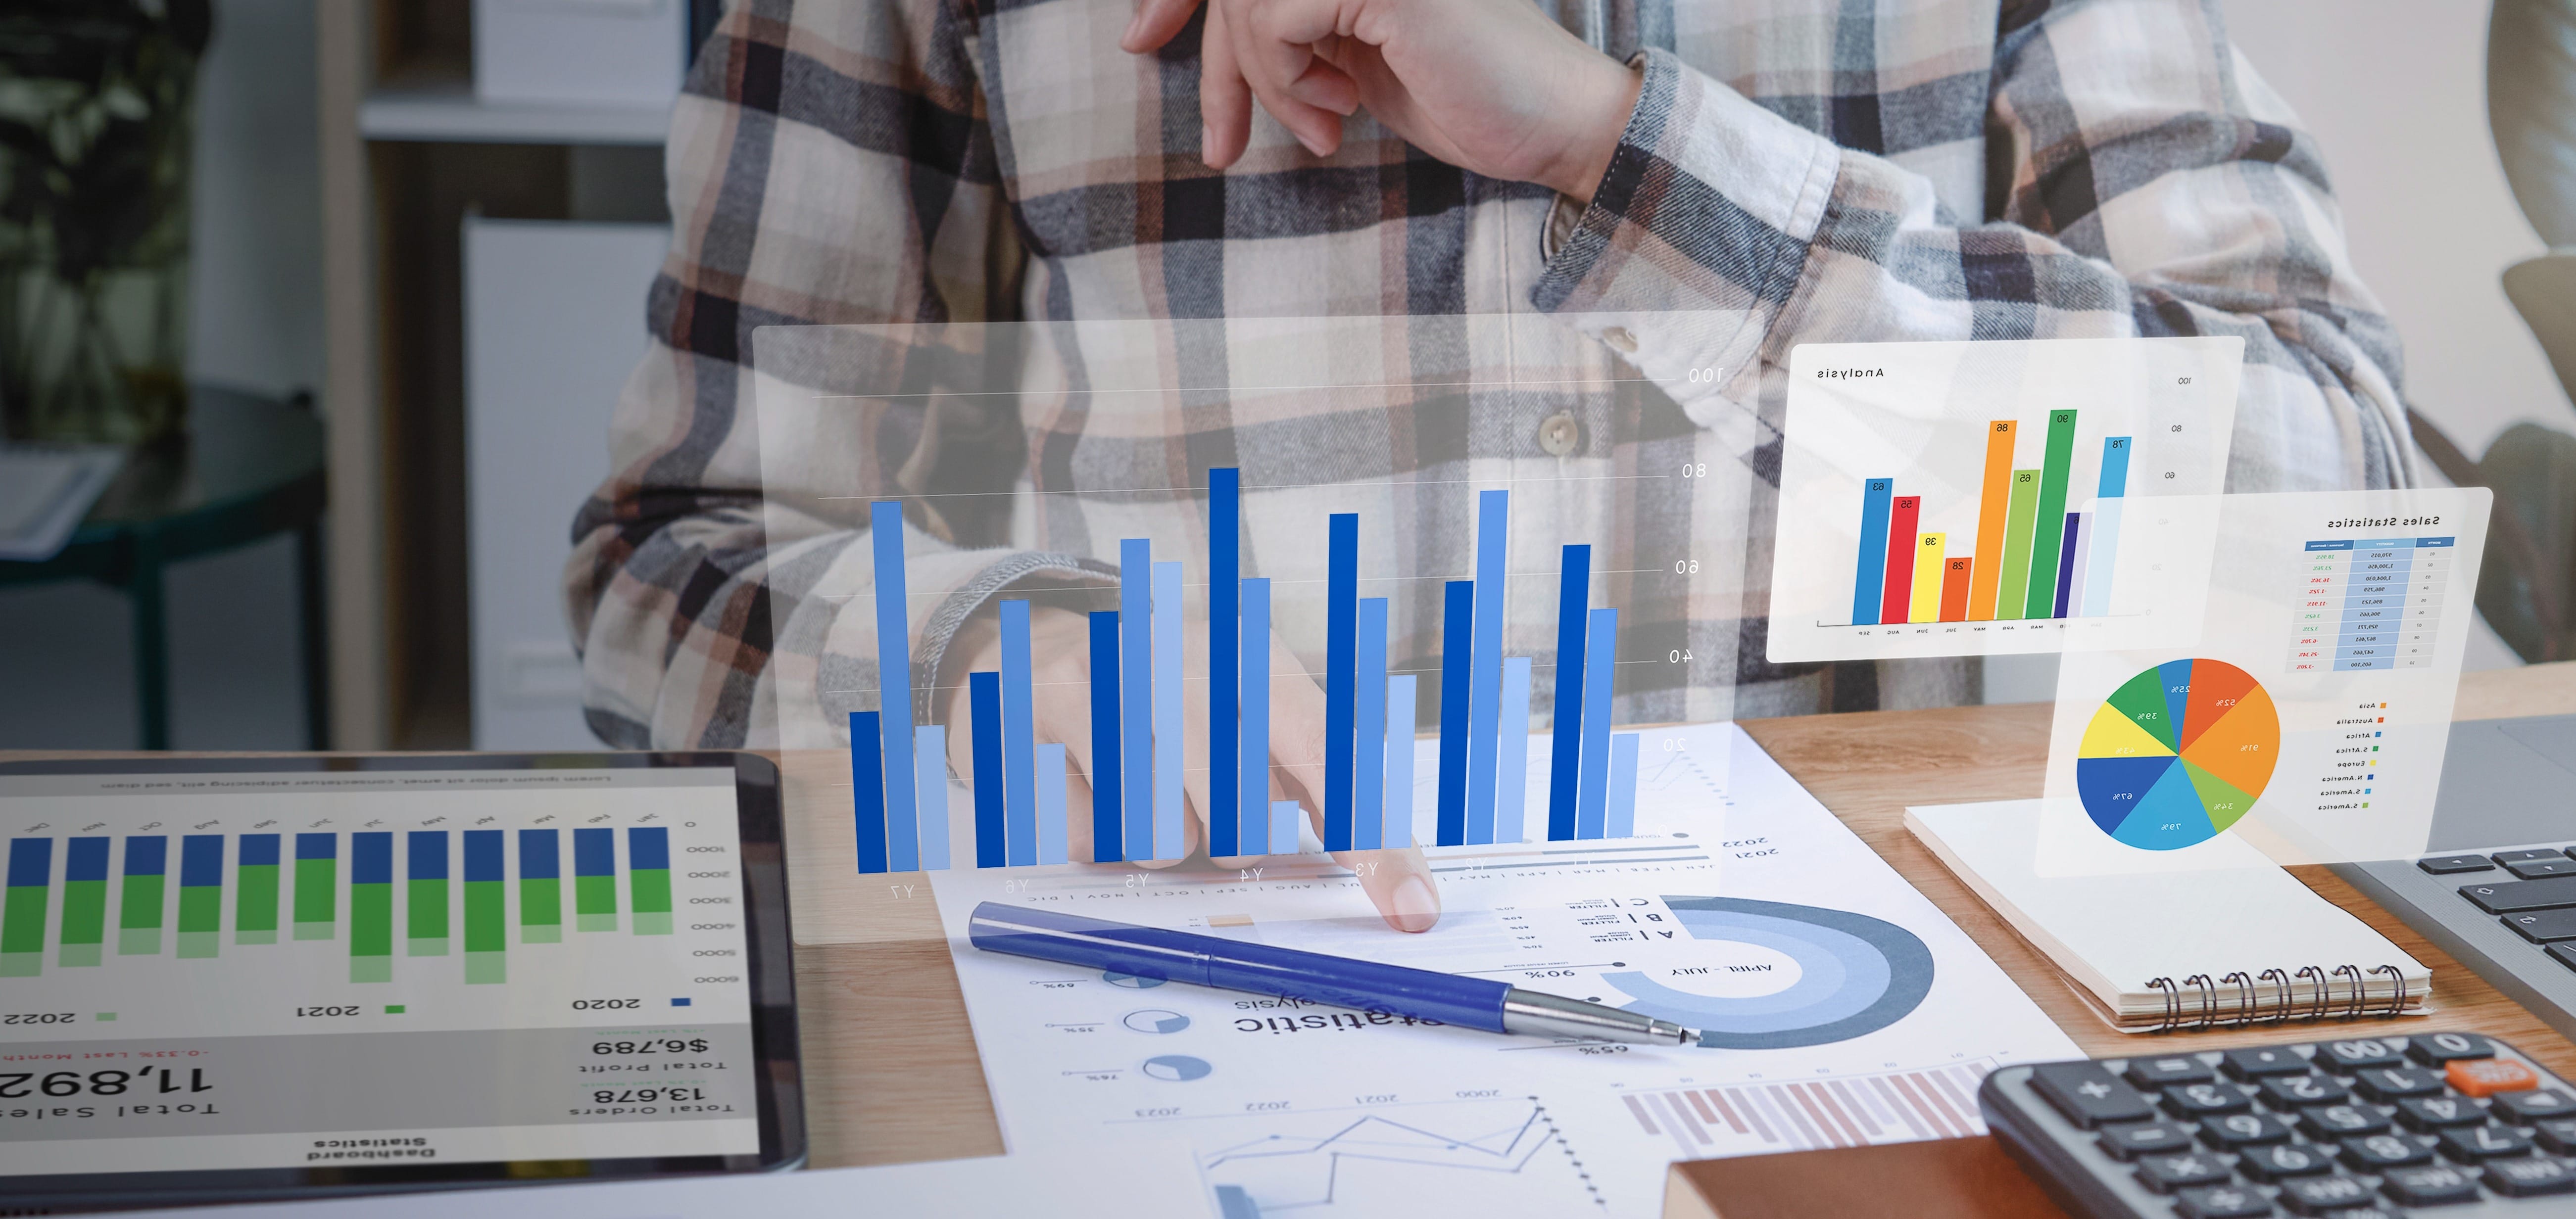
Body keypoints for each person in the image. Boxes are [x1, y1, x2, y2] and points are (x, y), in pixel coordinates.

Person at [566, 0, 2412, 933]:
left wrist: (1623, 155)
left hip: (1839, 1088)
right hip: (1188, 1052)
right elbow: (669, 575)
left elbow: (2337, 515)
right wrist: (1008, 653)